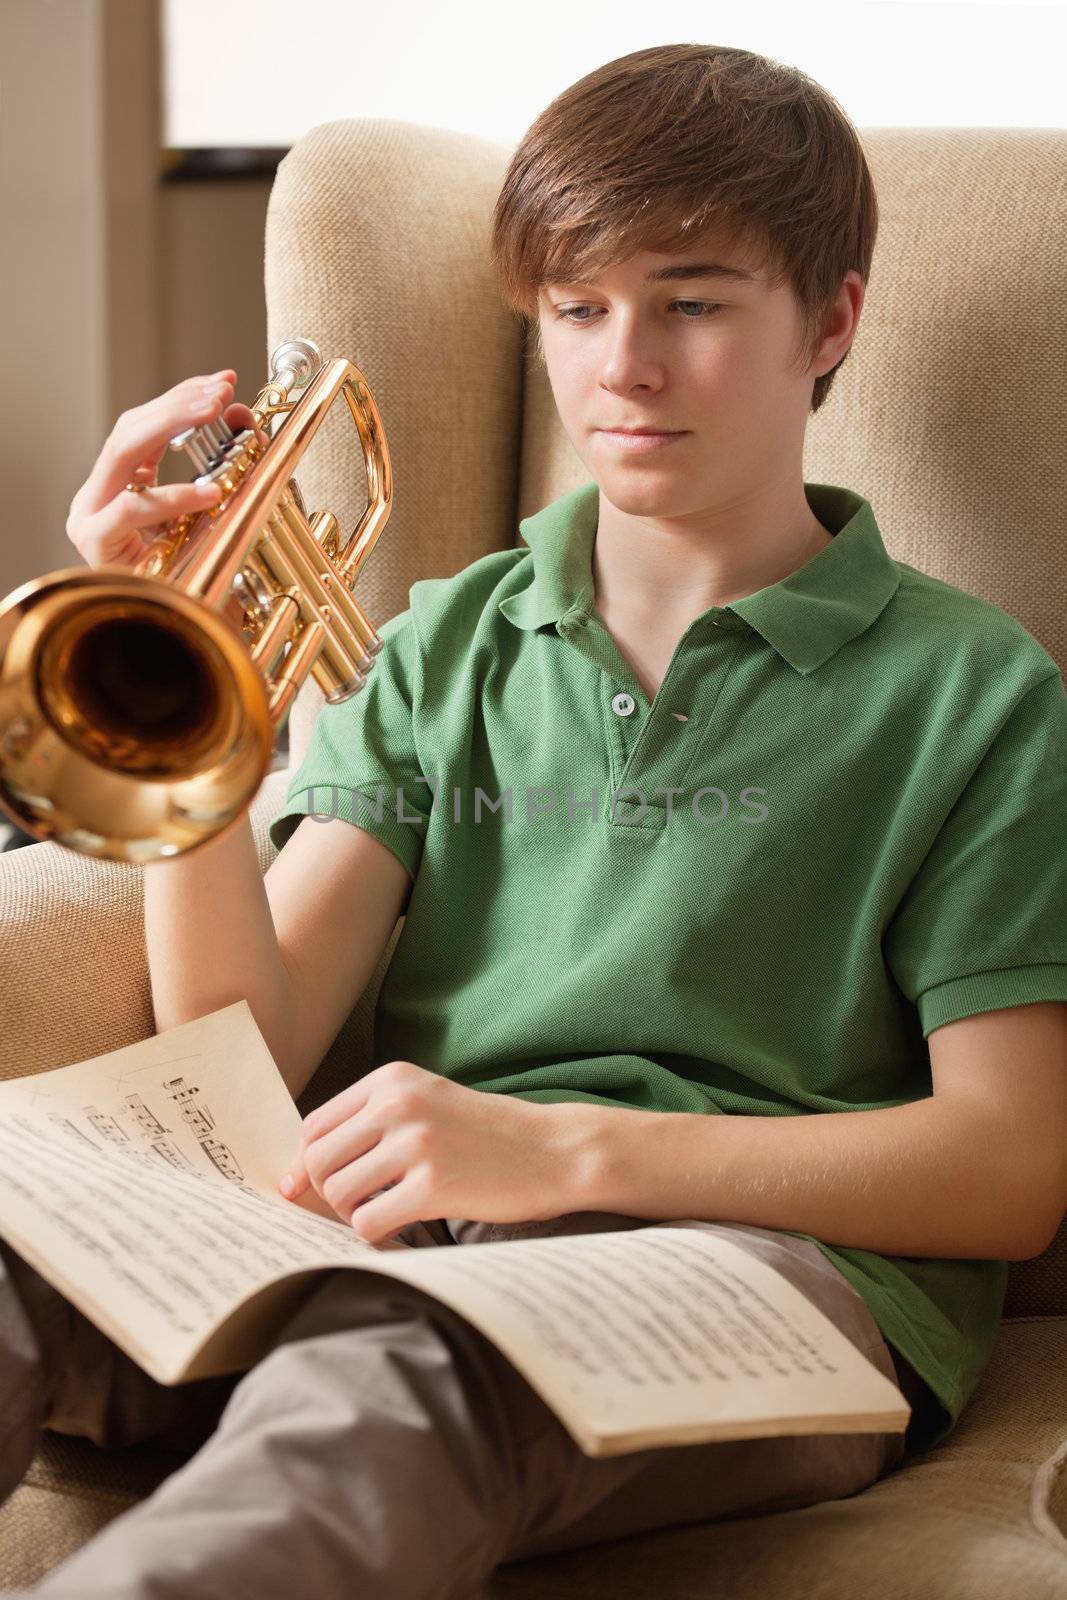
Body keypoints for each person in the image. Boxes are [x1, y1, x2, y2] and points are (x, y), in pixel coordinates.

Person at [4, 39, 1067, 1600]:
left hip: (772, 1285)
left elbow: (1008, 1166)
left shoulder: (978, 692)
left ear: (830, 318)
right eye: (577, 309)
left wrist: (557, 1151)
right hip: (398, 1240)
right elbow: (246, 1042)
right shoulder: (447, 640)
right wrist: (188, 678)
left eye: (693, 302)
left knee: (384, 1393)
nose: (621, 365)